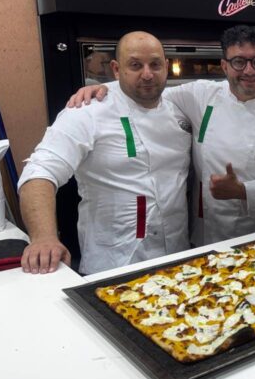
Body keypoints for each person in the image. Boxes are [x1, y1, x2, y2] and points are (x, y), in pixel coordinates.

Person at [69, 25, 255, 246]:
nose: (248, 70)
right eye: (238, 62)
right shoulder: (202, 94)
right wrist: (104, 88)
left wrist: (243, 191)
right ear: (224, 66)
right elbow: (147, 89)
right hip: (204, 234)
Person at [19, 32, 192, 275]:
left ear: (166, 66)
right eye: (135, 65)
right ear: (116, 69)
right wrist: (43, 238)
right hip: (114, 261)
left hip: (178, 256)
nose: (147, 74)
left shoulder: (180, 108)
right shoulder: (86, 111)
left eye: (155, 65)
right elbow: (40, 172)